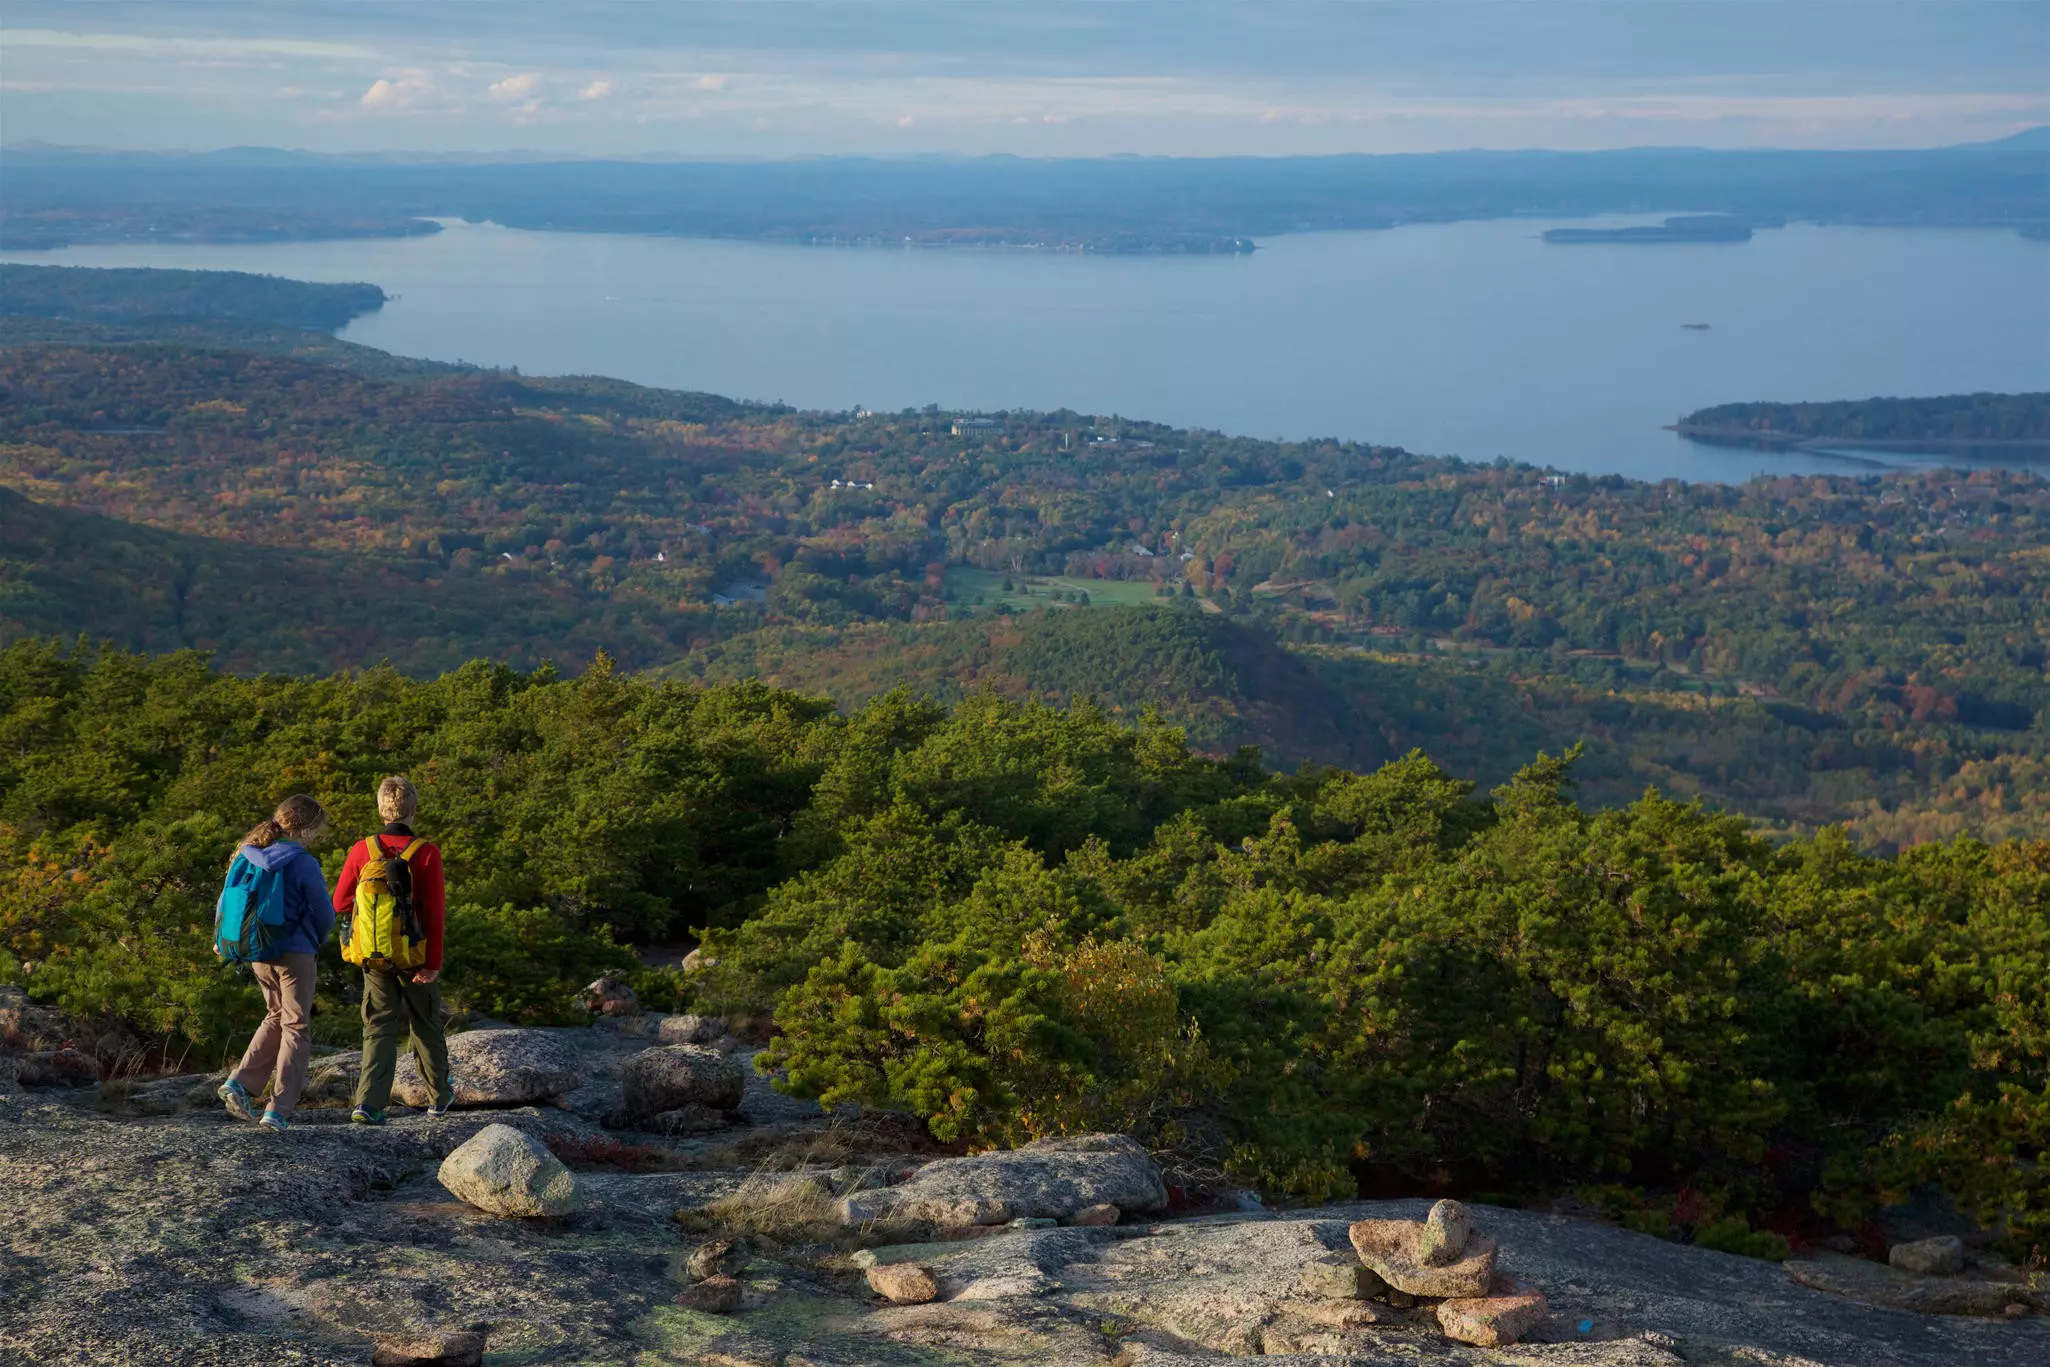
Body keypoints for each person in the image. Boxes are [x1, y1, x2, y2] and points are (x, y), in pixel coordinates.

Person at [335, 775, 452, 1124]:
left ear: (381, 808)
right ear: (413, 810)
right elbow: (434, 913)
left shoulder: (362, 850)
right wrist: (432, 963)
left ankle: (368, 1105)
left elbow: (340, 902)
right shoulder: (426, 852)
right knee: (426, 1024)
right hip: (415, 956)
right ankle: (439, 1097)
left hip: (374, 956)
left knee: (378, 1027)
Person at [217, 794, 336, 1134]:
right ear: (308, 829)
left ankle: (240, 1083)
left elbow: (226, 900)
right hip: (294, 952)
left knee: (275, 1015)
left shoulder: (248, 852)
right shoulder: (302, 862)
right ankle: (278, 1109)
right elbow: (324, 912)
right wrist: (315, 939)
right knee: (296, 1026)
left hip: (256, 951)